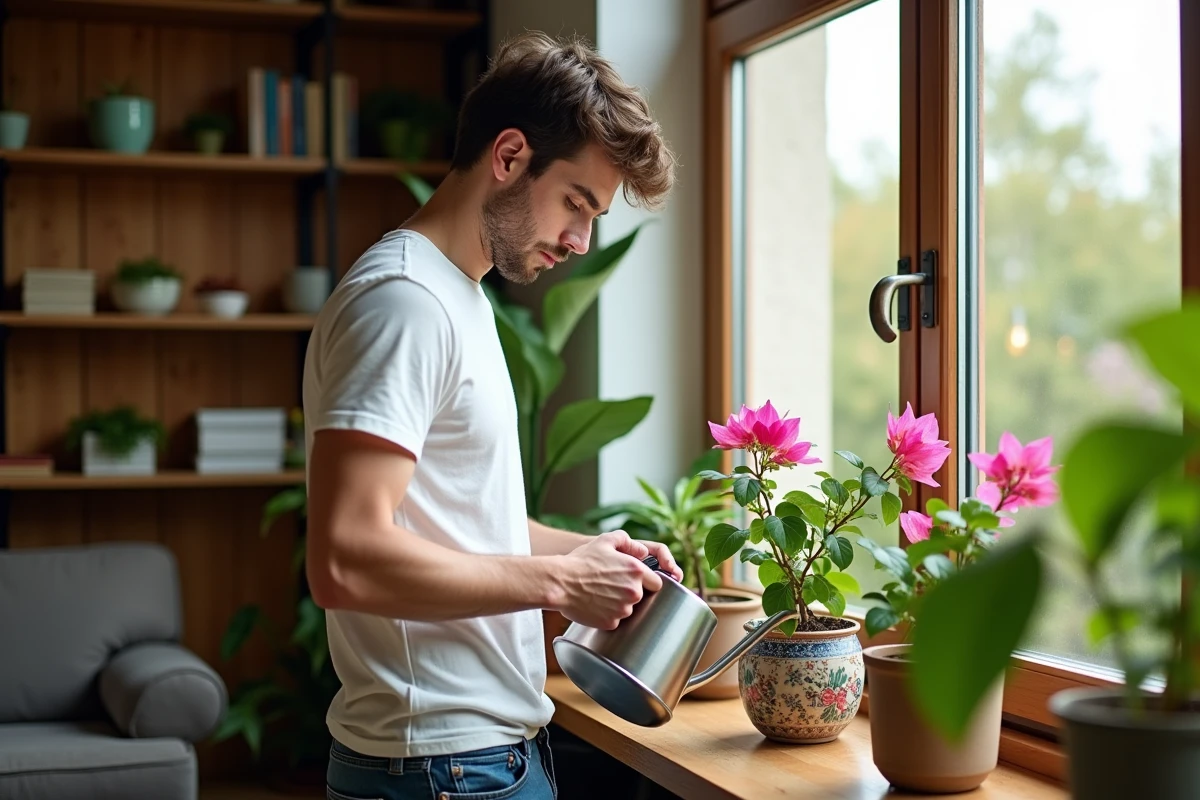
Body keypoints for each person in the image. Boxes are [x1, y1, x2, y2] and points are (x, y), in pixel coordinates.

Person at [302, 30, 679, 800]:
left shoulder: (456, 297)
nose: (579, 240)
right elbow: (342, 558)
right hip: (438, 767)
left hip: (472, 760)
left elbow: (453, 525)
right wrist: (558, 583)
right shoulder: (403, 304)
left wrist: (591, 559)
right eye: (577, 202)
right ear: (509, 157)